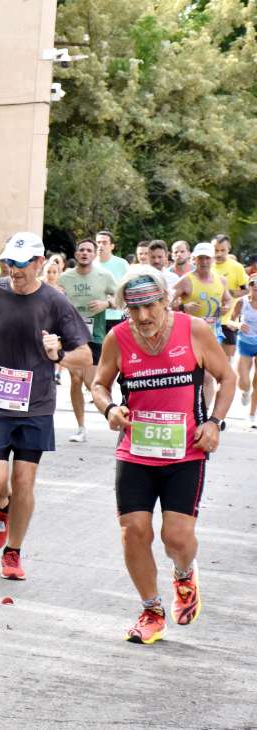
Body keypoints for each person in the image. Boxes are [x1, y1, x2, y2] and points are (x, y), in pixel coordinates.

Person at [91, 268, 235, 644]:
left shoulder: (195, 331)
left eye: (151, 306)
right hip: (135, 451)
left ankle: (184, 574)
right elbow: (99, 384)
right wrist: (109, 410)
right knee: (133, 532)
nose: (143, 317)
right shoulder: (117, 339)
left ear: (166, 300)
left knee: (176, 538)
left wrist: (216, 422)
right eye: (134, 309)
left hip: (185, 453)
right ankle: (150, 610)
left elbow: (227, 377)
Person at [0, 232, 91, 581]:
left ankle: (13, 552)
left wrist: (57, 354)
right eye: (8, 263)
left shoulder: (55, 302)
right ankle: (2, 506)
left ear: (37, 263)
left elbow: (85, 355)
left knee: (25, 481)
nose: (13, 270)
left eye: (19, 264)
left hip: (36, 404)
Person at [58, 239, 117, 443]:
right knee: (75, 378)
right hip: (71, 334)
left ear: (94, 255)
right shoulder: (65, 278)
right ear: (76, 254)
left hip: (95, 334)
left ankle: (114, 414)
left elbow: (121, 299)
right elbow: (51, 298)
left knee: (91, 382)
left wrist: (106, 303)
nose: (85, 253)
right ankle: (81, 427)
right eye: (81, 250)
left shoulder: (104, 276)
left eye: (89, 250)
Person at [171, 243, 232, 409]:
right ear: (194, 259)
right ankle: (185, 408)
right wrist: (183, 307)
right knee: (187, 374)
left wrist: (226, 307)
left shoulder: (221, 280)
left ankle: (202, 414)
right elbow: (165, 301)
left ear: (212, 259)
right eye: (200, 258)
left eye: (207, 257)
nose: (204, 261)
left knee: (207, 376)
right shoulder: (186, 281)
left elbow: (227, 298)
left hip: (212, 334)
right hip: (188, 334)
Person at [212, 234, 248, 361]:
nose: (219, 254)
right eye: (216, 250)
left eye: (223, 250)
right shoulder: (206, 265)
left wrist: (229, 293)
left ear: (229, 249)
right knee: (210, 362)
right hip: (208, 320)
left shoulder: (236, 267)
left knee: (227, 363)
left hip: (227, 321)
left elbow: (247, 291)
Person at [228, 274, 257, 426]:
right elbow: (230, 320)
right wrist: (239, 325)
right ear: (249, 286)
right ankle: (245, 392)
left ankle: (252, 414)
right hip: (245, 343)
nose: (256, 286)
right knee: (244, 382)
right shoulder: (242, 302)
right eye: (253, 283)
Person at [96, 230, 129, 333]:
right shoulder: (90, 264)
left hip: (115, 315)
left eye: (104, 243)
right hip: (94, 316)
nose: (100, 245)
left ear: (112, 246)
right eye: (98, 242)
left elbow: (128, 288)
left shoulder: (122, 264)